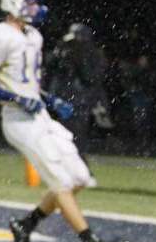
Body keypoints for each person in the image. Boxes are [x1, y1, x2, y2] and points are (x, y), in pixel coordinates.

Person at [0, 0, 132, 242]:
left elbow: (29, 85)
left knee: (79, 178)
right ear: (14, 2)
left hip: (39, 117)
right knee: (61, 182)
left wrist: (50, 100)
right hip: (18, 121)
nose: (36, 8)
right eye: (31, 2)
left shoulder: (33, 37)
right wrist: (17, 99)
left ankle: (26, 224)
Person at [46, 23, 113, 151]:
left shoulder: (94, 55)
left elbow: (92, 79)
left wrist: (79, 60)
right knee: (58, 136)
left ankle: (77, 159)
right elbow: (50, 69)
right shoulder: (64, 52)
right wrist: (58, 54)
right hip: (62, 100)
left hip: (82, 101)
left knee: (76, 136)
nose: (74, 45)